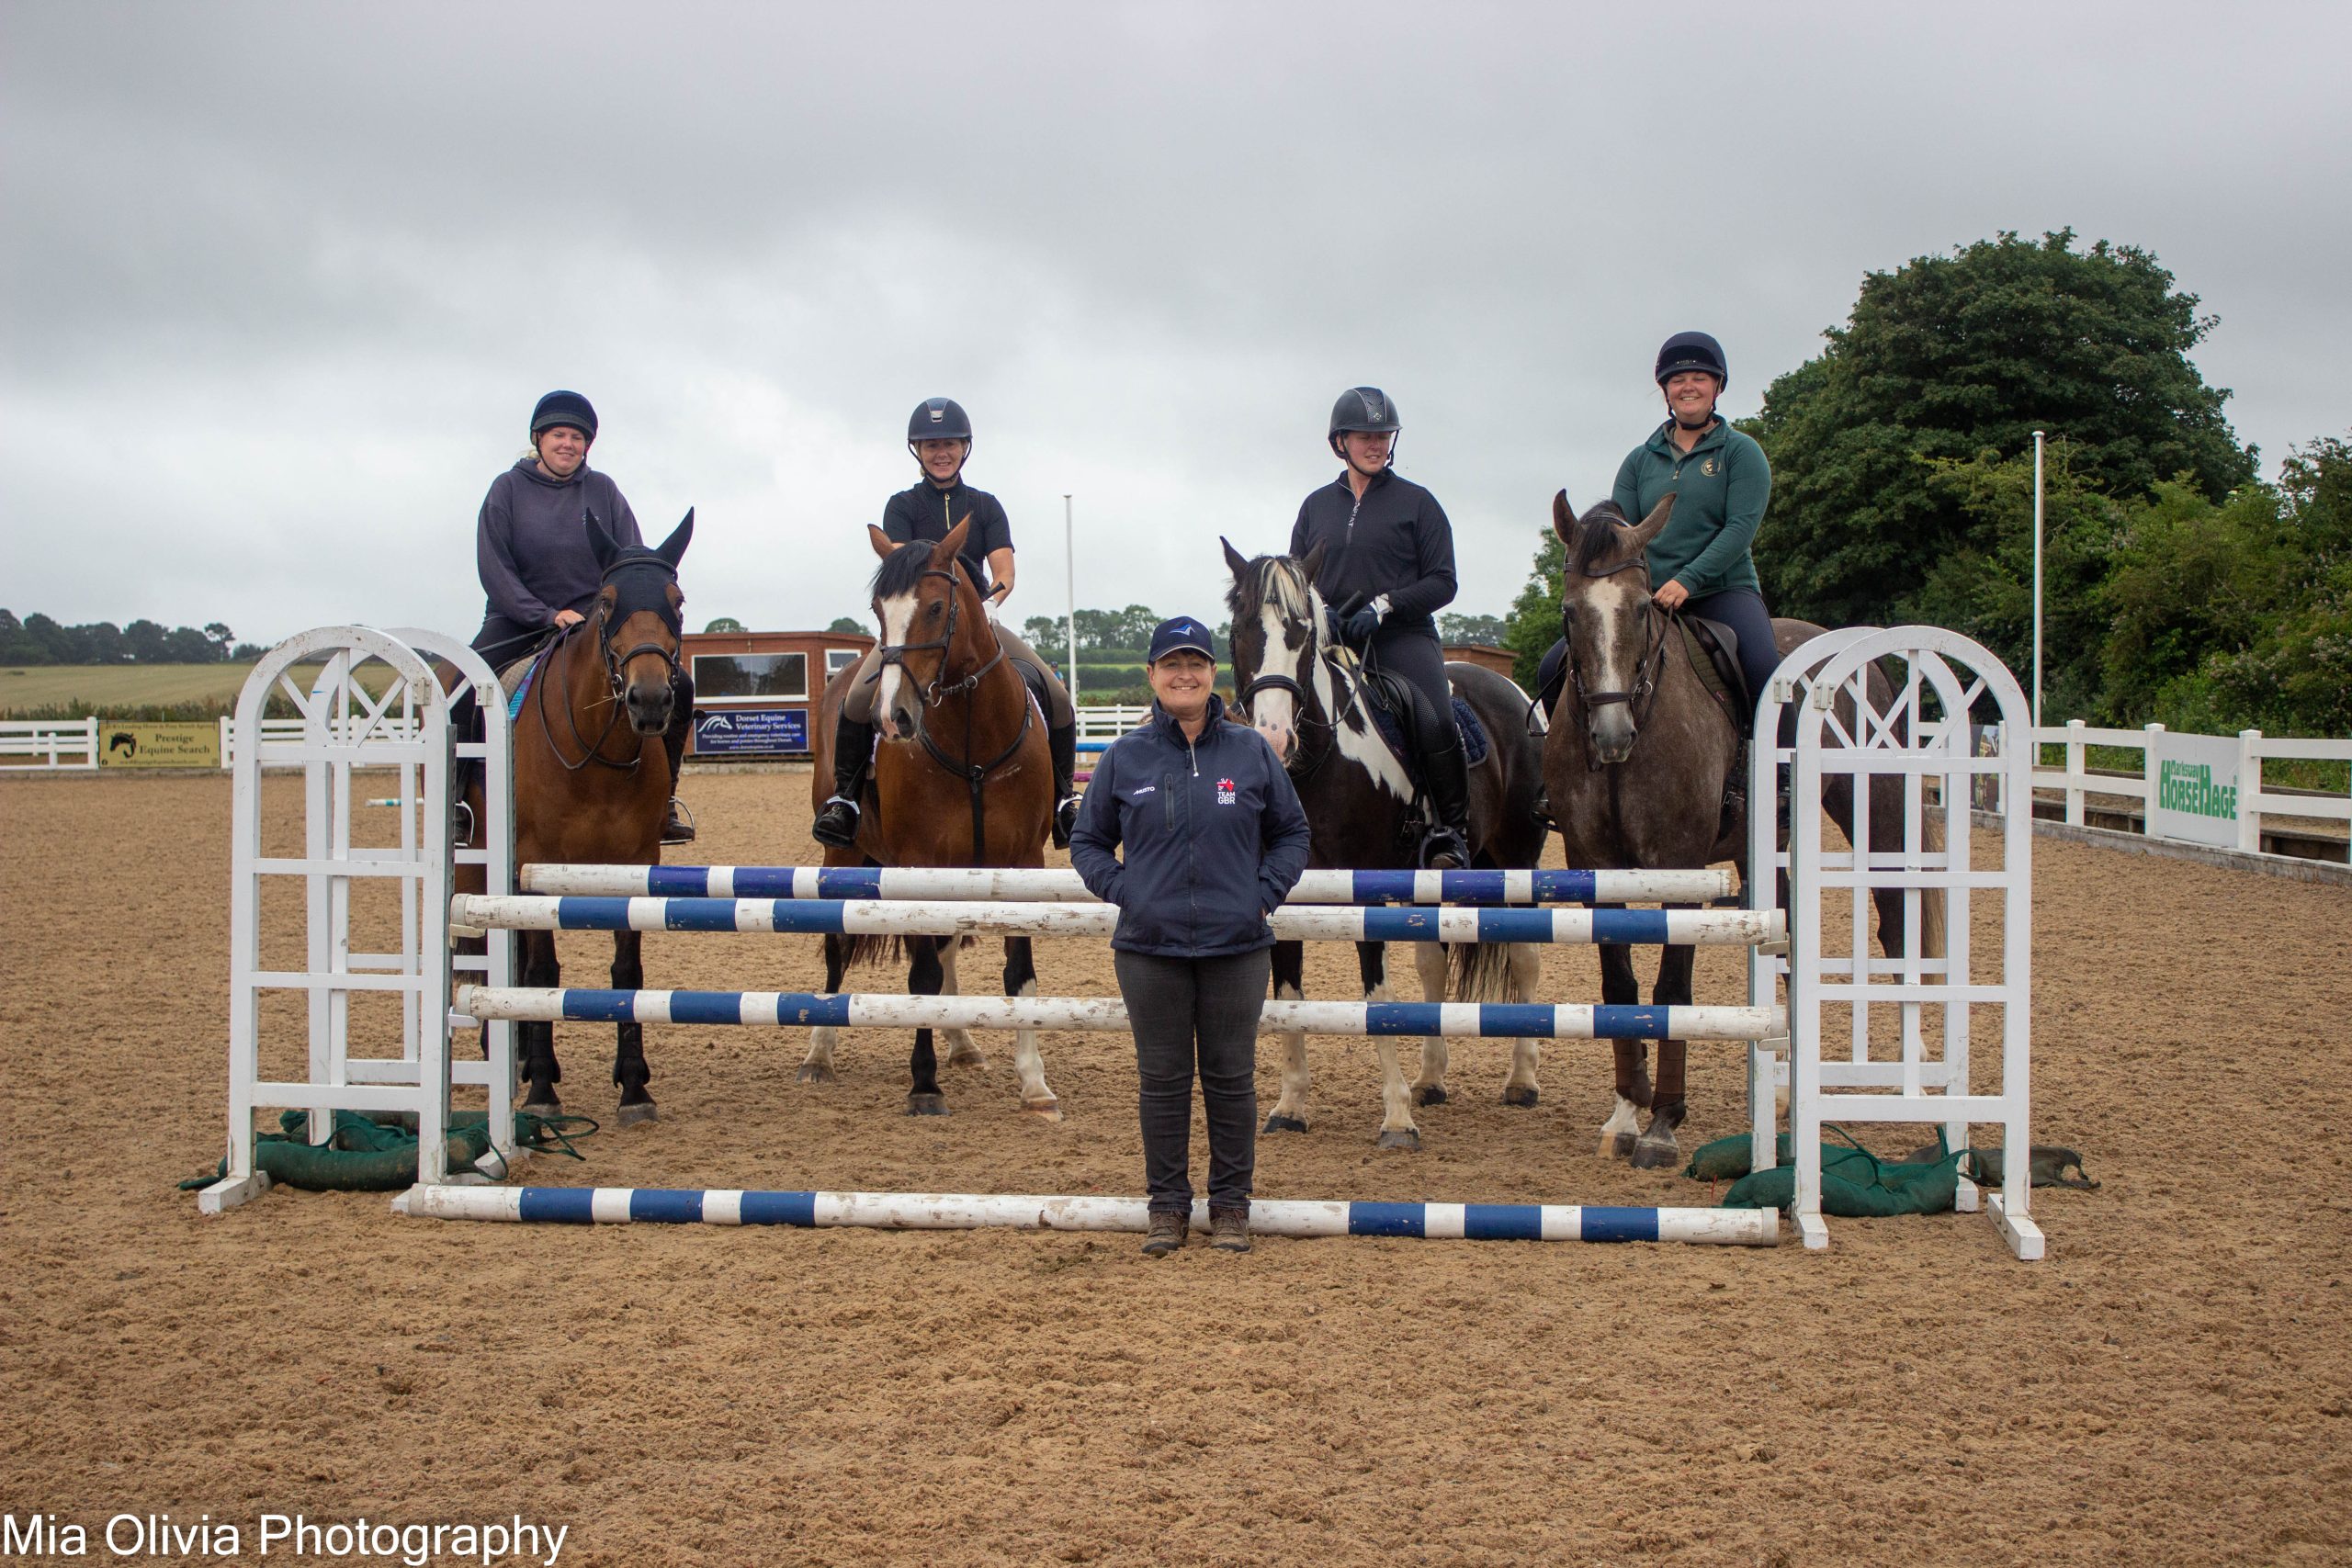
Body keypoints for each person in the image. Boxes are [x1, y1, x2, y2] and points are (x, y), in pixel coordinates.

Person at [1069, 615, 1310, 1256]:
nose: (1184, 674)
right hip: (1150, 950)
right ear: (1152, 675)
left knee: (1232, 1078)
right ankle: (1167, 1207)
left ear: (1213, 676)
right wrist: (1129, 892)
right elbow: (1087, 842)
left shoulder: (1253, 750)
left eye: (1196, 663)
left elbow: (1293, 832)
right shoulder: (1124, 757)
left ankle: (1231, 1206)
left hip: (1237, 947)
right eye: (1172, 664)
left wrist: (1260, 896)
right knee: (1164, 1080)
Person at [812, 398, 1083, 850]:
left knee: (1055, 696)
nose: (942, 452)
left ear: (965, 448)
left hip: (978, 619)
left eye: (950, 444)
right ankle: (846, 800)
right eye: (932, 444)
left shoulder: (985, 505)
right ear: (917, 450)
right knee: (857, 699)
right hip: (919, 626)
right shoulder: (901, 506)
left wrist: (990, 600)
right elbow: (904, 571)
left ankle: (1063, 800)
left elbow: (1004, 569)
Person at [1537, 332, 1784, 819]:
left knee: (1765, 668)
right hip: (1644, 596)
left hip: (1721, 589)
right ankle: (1563, 777)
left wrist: (1689, 579)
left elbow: (1740, 528)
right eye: (1678, 380)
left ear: (1717, 387)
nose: (1688, 387)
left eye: (1699, 378)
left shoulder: (1741, 453)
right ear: (1665, 390)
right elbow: (1617, 533)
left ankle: (1781, 782)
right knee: (1552, 666)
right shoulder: (1638, 460)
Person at [469, 389, 695, 843]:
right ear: (539, 439)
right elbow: (495, 569)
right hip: (518, 620)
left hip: (595, 623)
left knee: (681, 686)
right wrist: (547, 614)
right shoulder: (506, 490)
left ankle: (664, 800)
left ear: (587, 445)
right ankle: (461, 802)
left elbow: (632, 566)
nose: (567, 444)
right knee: (461, 685)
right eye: (558, 435)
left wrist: (598, 615)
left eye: (577, 437)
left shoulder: (604, 491)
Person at [1289, 386, 1470, 869]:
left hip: (1401, 637)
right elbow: (1298, 579)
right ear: (1340, 442)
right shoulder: (1314, 506)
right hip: (1331, 638)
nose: (1376, 444)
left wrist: (1385, 606)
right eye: (1365, 436)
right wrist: (1324, 617)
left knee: (1436, 717)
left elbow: (1444, 581)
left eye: (1384, 436)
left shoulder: (1419, 503)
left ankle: (1449, 830)